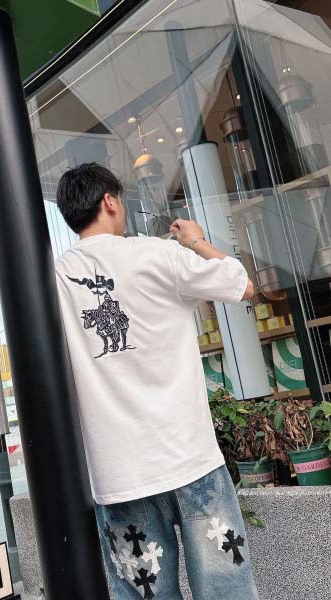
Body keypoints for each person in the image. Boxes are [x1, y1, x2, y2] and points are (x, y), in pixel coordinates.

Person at [54, 163, 259, 599]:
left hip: (118, 474)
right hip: (189, 457)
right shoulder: (156, 254)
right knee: (227, 591)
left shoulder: (54, 280)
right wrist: (195, 240)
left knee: (144, 594)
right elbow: (242, 285)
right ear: (110, 201)